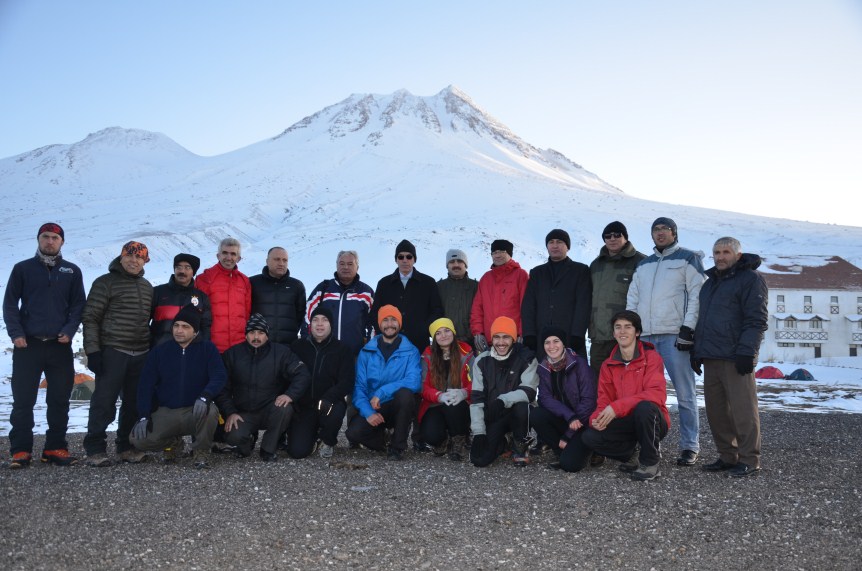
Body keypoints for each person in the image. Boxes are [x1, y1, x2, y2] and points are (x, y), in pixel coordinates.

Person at [4, 223, 86, 468]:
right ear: (38, 239)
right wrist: (16, 333)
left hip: (59, 346)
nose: (50, 241)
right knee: (23, 400)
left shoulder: (72, 271)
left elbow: (78, 306)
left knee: (59, 399)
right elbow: (9, 305)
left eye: (54, 238)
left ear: (62, 242)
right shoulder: (23, 269)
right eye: (45, 237)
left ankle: (55, 448)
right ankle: (20, 451)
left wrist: (70, 331)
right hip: (27, 346)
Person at [626, 217, 705, 467]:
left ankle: (690, 445)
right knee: (645, 394)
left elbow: (697, 295)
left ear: (674, 233)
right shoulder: (644, 264)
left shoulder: (688, 258)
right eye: (656, 230)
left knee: (684, 393)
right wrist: (631, 330)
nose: (660, 233)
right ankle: (648, 444)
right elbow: (633, 299)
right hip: (646, 336)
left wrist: (688, 328)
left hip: (674, 335)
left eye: (665, 229)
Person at [692, 237, 768, 478]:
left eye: (726, 252)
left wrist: (748, 351)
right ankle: (728, 456)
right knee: (717, 412)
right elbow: (702, 321)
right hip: (711, 356)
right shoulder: (710, 283)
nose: (720, 256)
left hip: (736, 357)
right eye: (716, 252)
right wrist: (697, 350)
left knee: (743, 410)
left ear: (737, 255)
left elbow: (756, 320)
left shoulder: (751, 280)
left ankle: (749, 459)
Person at [564, 310, 670, 480]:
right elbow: (604, 399)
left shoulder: (652, 358)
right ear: (613, 333)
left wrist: (616, 407)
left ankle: (650, 463)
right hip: (625, 422)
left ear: (637, 332)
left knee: (645, 407)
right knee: (590, 436)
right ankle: (632, 454)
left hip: (653, 421)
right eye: (618, 327)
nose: (622, 331)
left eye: (628, 327)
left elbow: (656, 394)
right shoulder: (608, 364)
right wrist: (596, 419)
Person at [82, 241, 154, 467]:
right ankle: (95, 448)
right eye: (129, 256)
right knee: (104, 401)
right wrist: (93, 351)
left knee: (133, 402)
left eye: (139, 257)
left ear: (145, 261)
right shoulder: (105, 283)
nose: (134, 260)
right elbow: (90, 318)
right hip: (113, 350)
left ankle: (125, 446)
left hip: (141, 352)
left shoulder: (146, 286)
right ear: (121, 257)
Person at [130, 305, 226, 468]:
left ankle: (201, 452)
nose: (179, 330)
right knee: (137, 440)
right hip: (166, 411)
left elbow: (219, 375)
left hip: (195, 409)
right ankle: (174, 443)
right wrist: (144, 415)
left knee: (211, 411)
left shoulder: (207, 348)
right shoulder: (160, 352)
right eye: (176, 325)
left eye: (185, 327)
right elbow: (145, 386)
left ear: (195, 331)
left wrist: (205, 395)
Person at [216, 314, 311, 461]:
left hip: (270, 409)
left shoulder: (281, 353)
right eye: (252, 332)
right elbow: (222, 387)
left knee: (285, 409)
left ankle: (268, 449)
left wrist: (290, 395)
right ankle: (246, 444)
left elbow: (302, 373)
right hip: (243, 413)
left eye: (260, 333)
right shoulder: (232, 354)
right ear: (246, 335)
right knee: (232, 435)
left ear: (267, 335)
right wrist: (230, 412)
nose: (256, 337)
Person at [346, 305, 421, 461]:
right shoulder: (366, 351)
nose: (389, 324)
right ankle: (384, 441)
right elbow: (359, 386)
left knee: (406, 395)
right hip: (374, 406)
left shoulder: (411, 350)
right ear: (379, 324)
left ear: (400, 323)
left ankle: (397, 447)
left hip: (397, 406)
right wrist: (368, 412)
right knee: (353, 433)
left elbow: (414, 381)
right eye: (385, 320)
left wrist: (382, 392)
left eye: (394, 320)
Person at [469, 316, 539, 468]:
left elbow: (529, 392)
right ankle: (504, 441)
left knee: (522, 407)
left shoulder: (527, 358)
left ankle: (520, 444)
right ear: (491, 339)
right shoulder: (481, 361)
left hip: (516, 412)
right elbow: (476, 399)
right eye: (497, 337)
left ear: (513, 338)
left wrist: (502, 400)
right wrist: (479, 432)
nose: (501, 342)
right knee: (479, 460)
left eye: (506, 337)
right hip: (494, 415)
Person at [289, 307, 354, 459]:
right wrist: (294, 399)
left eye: (324, 320)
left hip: (329, 404)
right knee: (297, 452)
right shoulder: (297, 346)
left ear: (331, 324)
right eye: (315, 320)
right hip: (304, 407)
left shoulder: (342, 349)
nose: (320, 324)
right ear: (309, 324)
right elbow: (288, 376)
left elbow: (347, 381)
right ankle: (312, 436)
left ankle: (327, 440)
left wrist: (329, 397)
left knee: (336, 411)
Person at [529, 327, 596, 470]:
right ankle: (562, 451)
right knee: (536, 414)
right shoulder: (544, 367)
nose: (552, 346)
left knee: (570, 466)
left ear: (563, 343)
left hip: (582, 422)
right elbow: (544, 398)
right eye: (547, 342)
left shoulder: (580, 364)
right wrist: (569, 416)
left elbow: (589, 401)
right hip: (567, 419)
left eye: (556, 341)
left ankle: (578, 449)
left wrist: (568, 434)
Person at [521, 229, 592, 360]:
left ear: (567, 246)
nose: (555, 245)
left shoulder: (580, 271)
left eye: (559, 242)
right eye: (551, 242)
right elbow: (529, 305)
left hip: (570, 338)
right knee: (544, 377)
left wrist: (578, 334)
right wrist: (529, 334)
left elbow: (584, 304)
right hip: (542, 339)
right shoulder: (537, 273)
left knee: (573, 376)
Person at [588, 221, 646, 378]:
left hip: (625, 336)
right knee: (598, 380)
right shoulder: (596, 265)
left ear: (625, 237)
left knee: (626, 379)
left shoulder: (641, 262)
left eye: (617, 235)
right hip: (599, 338)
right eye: (608, 236)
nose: (612, 238)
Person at [370, 239, 443, 352]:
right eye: (401, 257)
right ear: (396, 260)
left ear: (414, 259)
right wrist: (385, 332)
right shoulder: (384, 283)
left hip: (419, 344)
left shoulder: (428, 283)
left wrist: (424, 329)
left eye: (409, 257)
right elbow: (375, 313)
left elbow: (437, 311)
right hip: (390, 344)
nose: (405, 260)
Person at [418, 318, 473, 461]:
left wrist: (464, 392)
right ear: (434, 338)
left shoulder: (466, 352)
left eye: (447, 330)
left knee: (453, 408)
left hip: (460, 402)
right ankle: (443, 440)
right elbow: (423, 386)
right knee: (431, 435)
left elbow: (477, 382)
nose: (443, 335)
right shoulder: (428, 355)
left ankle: (458, 439)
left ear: (453, 332)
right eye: (438, 333)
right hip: (435, 403)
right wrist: (438, 396)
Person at [303, 250, 374, 355]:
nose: (345, 267)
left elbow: (374, 323)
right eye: (342, 263)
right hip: (324, 354)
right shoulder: (323, 288)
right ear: (336, 266)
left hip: (355, 356)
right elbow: (308, 316)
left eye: (350, 264)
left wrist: (369, 348)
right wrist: (308, 344)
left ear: (357, 268)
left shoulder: (366, 292)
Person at [469, 239, 529, 354]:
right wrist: (478, 332)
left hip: (514, 339)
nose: (497, 255)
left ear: (509, 254)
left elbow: (526, 307)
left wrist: (523, 333)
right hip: (491, 340)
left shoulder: (520, 275)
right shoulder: (486, 278)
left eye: (502, 251)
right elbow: (477, 309)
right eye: (494, 252)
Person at [195, 237, 252, 353]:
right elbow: (197, 313)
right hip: (213, 347)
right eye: (225, 253)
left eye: (233, 254)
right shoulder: (205, 278)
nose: (229, 258)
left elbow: (247, 313)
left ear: (239, 258)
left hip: (239, 347)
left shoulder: (244, 281)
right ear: (218, 255)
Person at [150, 253, 212, 346]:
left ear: (193, 272)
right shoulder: (157, 292)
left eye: (187, 267)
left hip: (190, 353)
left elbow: (205, 328)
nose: (182, 271)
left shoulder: (201, 297)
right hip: (160, 351)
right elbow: (143, 322)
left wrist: (201, 348)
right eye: (178, 267)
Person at [250, 246, 307, 345]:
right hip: (258, 346)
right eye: (277, 259)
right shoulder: (252, 283)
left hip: (287, 347)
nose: (281, 263)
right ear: (267, 261)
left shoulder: (296, 286)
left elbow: (301, 316)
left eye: (285, 260)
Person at [436, 249, 478, 349]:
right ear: (447, 266)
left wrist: (471, 335)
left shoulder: (476, 287)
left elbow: (480, 313)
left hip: (470, 343)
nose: (456, 264)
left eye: (459, 261)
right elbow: (434, 314)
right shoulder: (438, 287)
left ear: (465, 265)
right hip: (444, 343)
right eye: (452, 262)